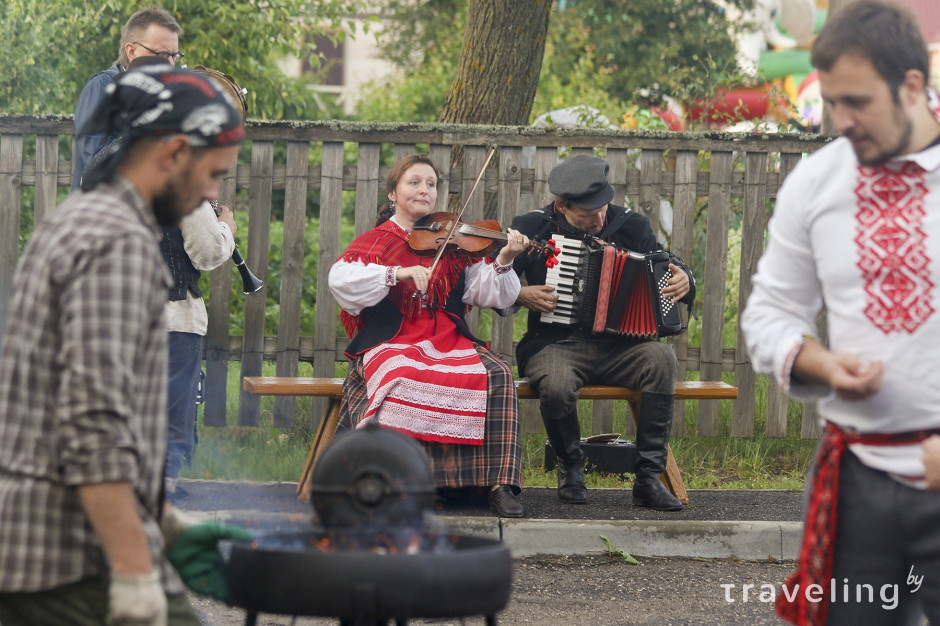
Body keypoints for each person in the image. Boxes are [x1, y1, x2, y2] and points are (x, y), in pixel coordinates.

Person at [0, 66, 249, 626]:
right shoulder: (119, 243)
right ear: (176, 152)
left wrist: (163, 519)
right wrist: (137, 573)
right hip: (63, 553)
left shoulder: (84, 217)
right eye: (212, 174)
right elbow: (93, 424)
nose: (212, 193)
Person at [741, 1, 940, 623]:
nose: (841, 120)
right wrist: (820, 361)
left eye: (857, 101)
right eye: (832, 101)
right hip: (857, 481)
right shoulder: (816, 183)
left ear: (912, 86)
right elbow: (769, 313)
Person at [329, 154, 529, 518]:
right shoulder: (377, 241)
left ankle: (497, 484)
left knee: (498, 374)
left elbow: (490, 294)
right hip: (393, 339)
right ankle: (401, 483)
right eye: (414, 182)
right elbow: (341, 281)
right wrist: (395, 275)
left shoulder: (454, 243)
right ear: (393, 193)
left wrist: (504, 259)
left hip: (449, 337)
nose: (424, 189)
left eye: (431, 184)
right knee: (401, 377)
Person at [508, 155, 694, 512]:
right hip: (557, 344)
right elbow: (495, 288)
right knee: (558, 383)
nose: (599, 220)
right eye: (587, 214)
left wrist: (685, 278)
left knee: (661, 358)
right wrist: (520, 293)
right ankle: (571, 468)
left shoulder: (630, 226)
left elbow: (665, 264)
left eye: (602, 209)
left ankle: (648, 480)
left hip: (621, 347)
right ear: (561, 206)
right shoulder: (533, 228)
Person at [72, 5, 184, 192]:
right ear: (131, 52)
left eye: (174, 56)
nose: (171, 64)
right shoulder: (102, 87)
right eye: (163, 55)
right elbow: (95, 164)